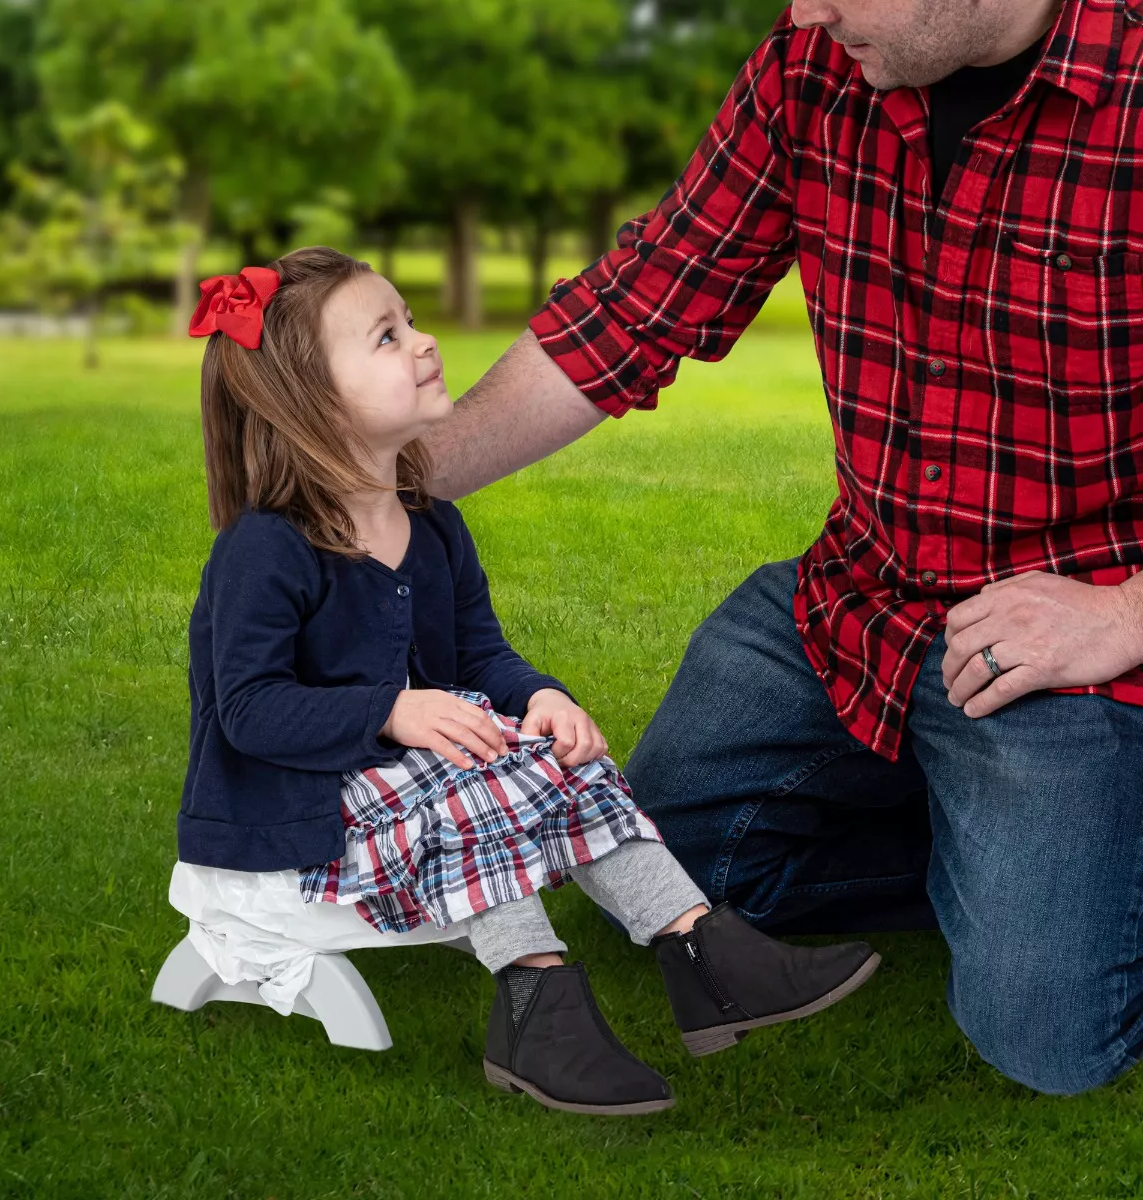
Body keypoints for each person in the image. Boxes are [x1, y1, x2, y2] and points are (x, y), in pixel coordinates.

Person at [417, 0, 1143, 1097]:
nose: (801, 8)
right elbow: (633, 310)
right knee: (646, 867)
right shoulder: (808, 73)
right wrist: (387, 481)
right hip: (859, 595)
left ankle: (1062, 868)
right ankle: (987, 847)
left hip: (1067, 642)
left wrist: (1122, 617)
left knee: (1045, 1036)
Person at [175, 246, 881, 1116]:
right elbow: (247, 713)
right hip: (296, 813)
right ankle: (535, 1002)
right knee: (473, 781)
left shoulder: (430, 526)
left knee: (559, 756)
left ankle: (703, 952)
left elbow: (481, 661)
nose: (425, 341)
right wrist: (392, 710)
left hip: (405, 775)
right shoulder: (268, 548)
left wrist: (540, 697)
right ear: (309, 401)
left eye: (411, 320)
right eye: (387, 337)